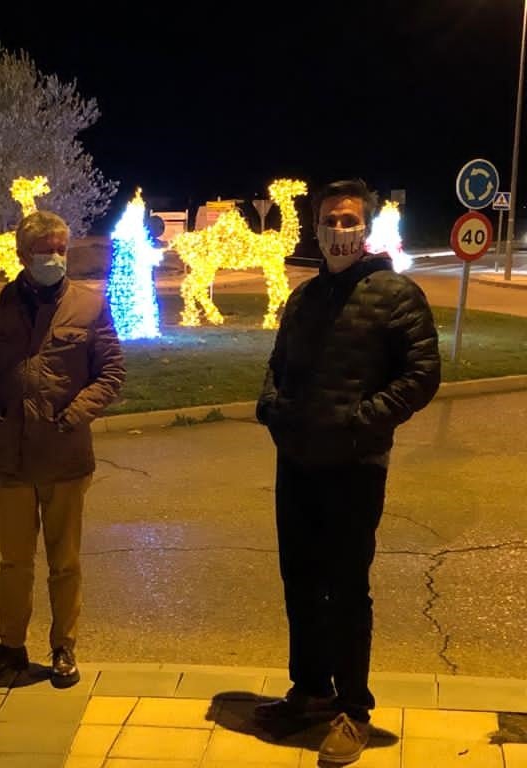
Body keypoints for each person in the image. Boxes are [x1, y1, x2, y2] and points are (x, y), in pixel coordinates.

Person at [255, 179, 441, 763]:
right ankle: (309, 690)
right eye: (330, 220)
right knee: (300, 582)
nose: (340, 229)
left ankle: (352, 709)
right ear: (315, 228)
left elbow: (421, 374)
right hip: (299, 464)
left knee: (346, 589)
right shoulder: (305, 298)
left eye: (348, 220)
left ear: (364, 227)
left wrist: (364, 420)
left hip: (355, 466)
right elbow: (278, 365)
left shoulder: (395, 294)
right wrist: (273, 410)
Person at [0, 210, 126, 688]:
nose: (53, 257)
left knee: (64, 562)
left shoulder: (88, 306)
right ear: (22, 255)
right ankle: (11, 646)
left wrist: (73, 416)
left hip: (66, 459)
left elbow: (111, 371)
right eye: (43, 249)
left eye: (59, 249)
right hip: (9, 459)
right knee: (14, 562)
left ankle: (63, 647)